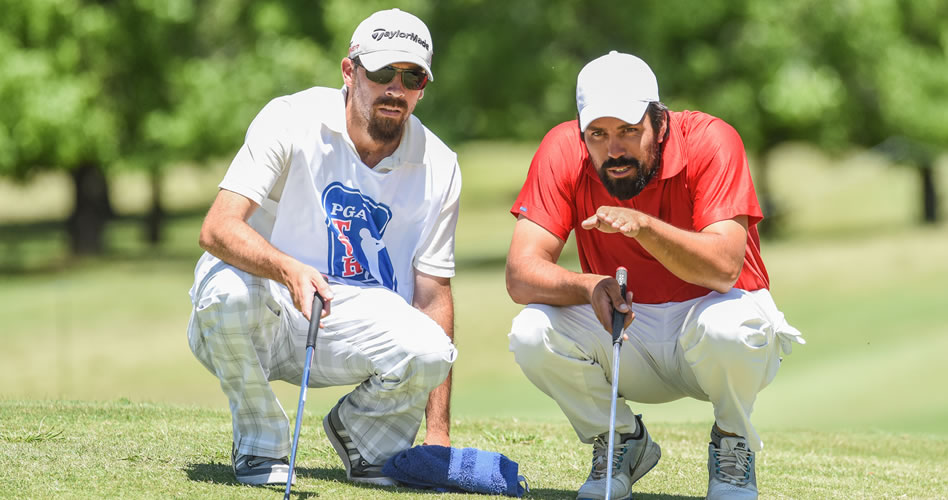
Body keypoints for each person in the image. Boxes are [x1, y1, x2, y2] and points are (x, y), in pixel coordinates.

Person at [505, 51, 805, 500]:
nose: (614, 150)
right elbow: (520, 274)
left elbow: (725, 267)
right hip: (627, 330)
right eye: (598, 134)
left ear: (659, 121)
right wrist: (589, 285)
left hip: (716, 321)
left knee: (727, 328)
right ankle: (621, 441)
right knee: (531, 331)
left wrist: (644, 227)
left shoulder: (711, 140)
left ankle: (732, 444)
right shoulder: (562, 148)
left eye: (629, 130)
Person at [186, 8, 459, 487]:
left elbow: (433, 295)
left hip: (345, 323)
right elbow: (218, 228)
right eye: (382, 72)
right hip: (259, 308)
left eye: (412, 77)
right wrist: (287, 269)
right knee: (228, 293)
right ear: (350, 72)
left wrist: (437, 433)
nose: (396, 89)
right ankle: (261, 443)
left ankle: (362, 435)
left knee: (434, 350)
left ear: (423, 87)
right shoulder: (290, 119)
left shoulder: (440, 164)